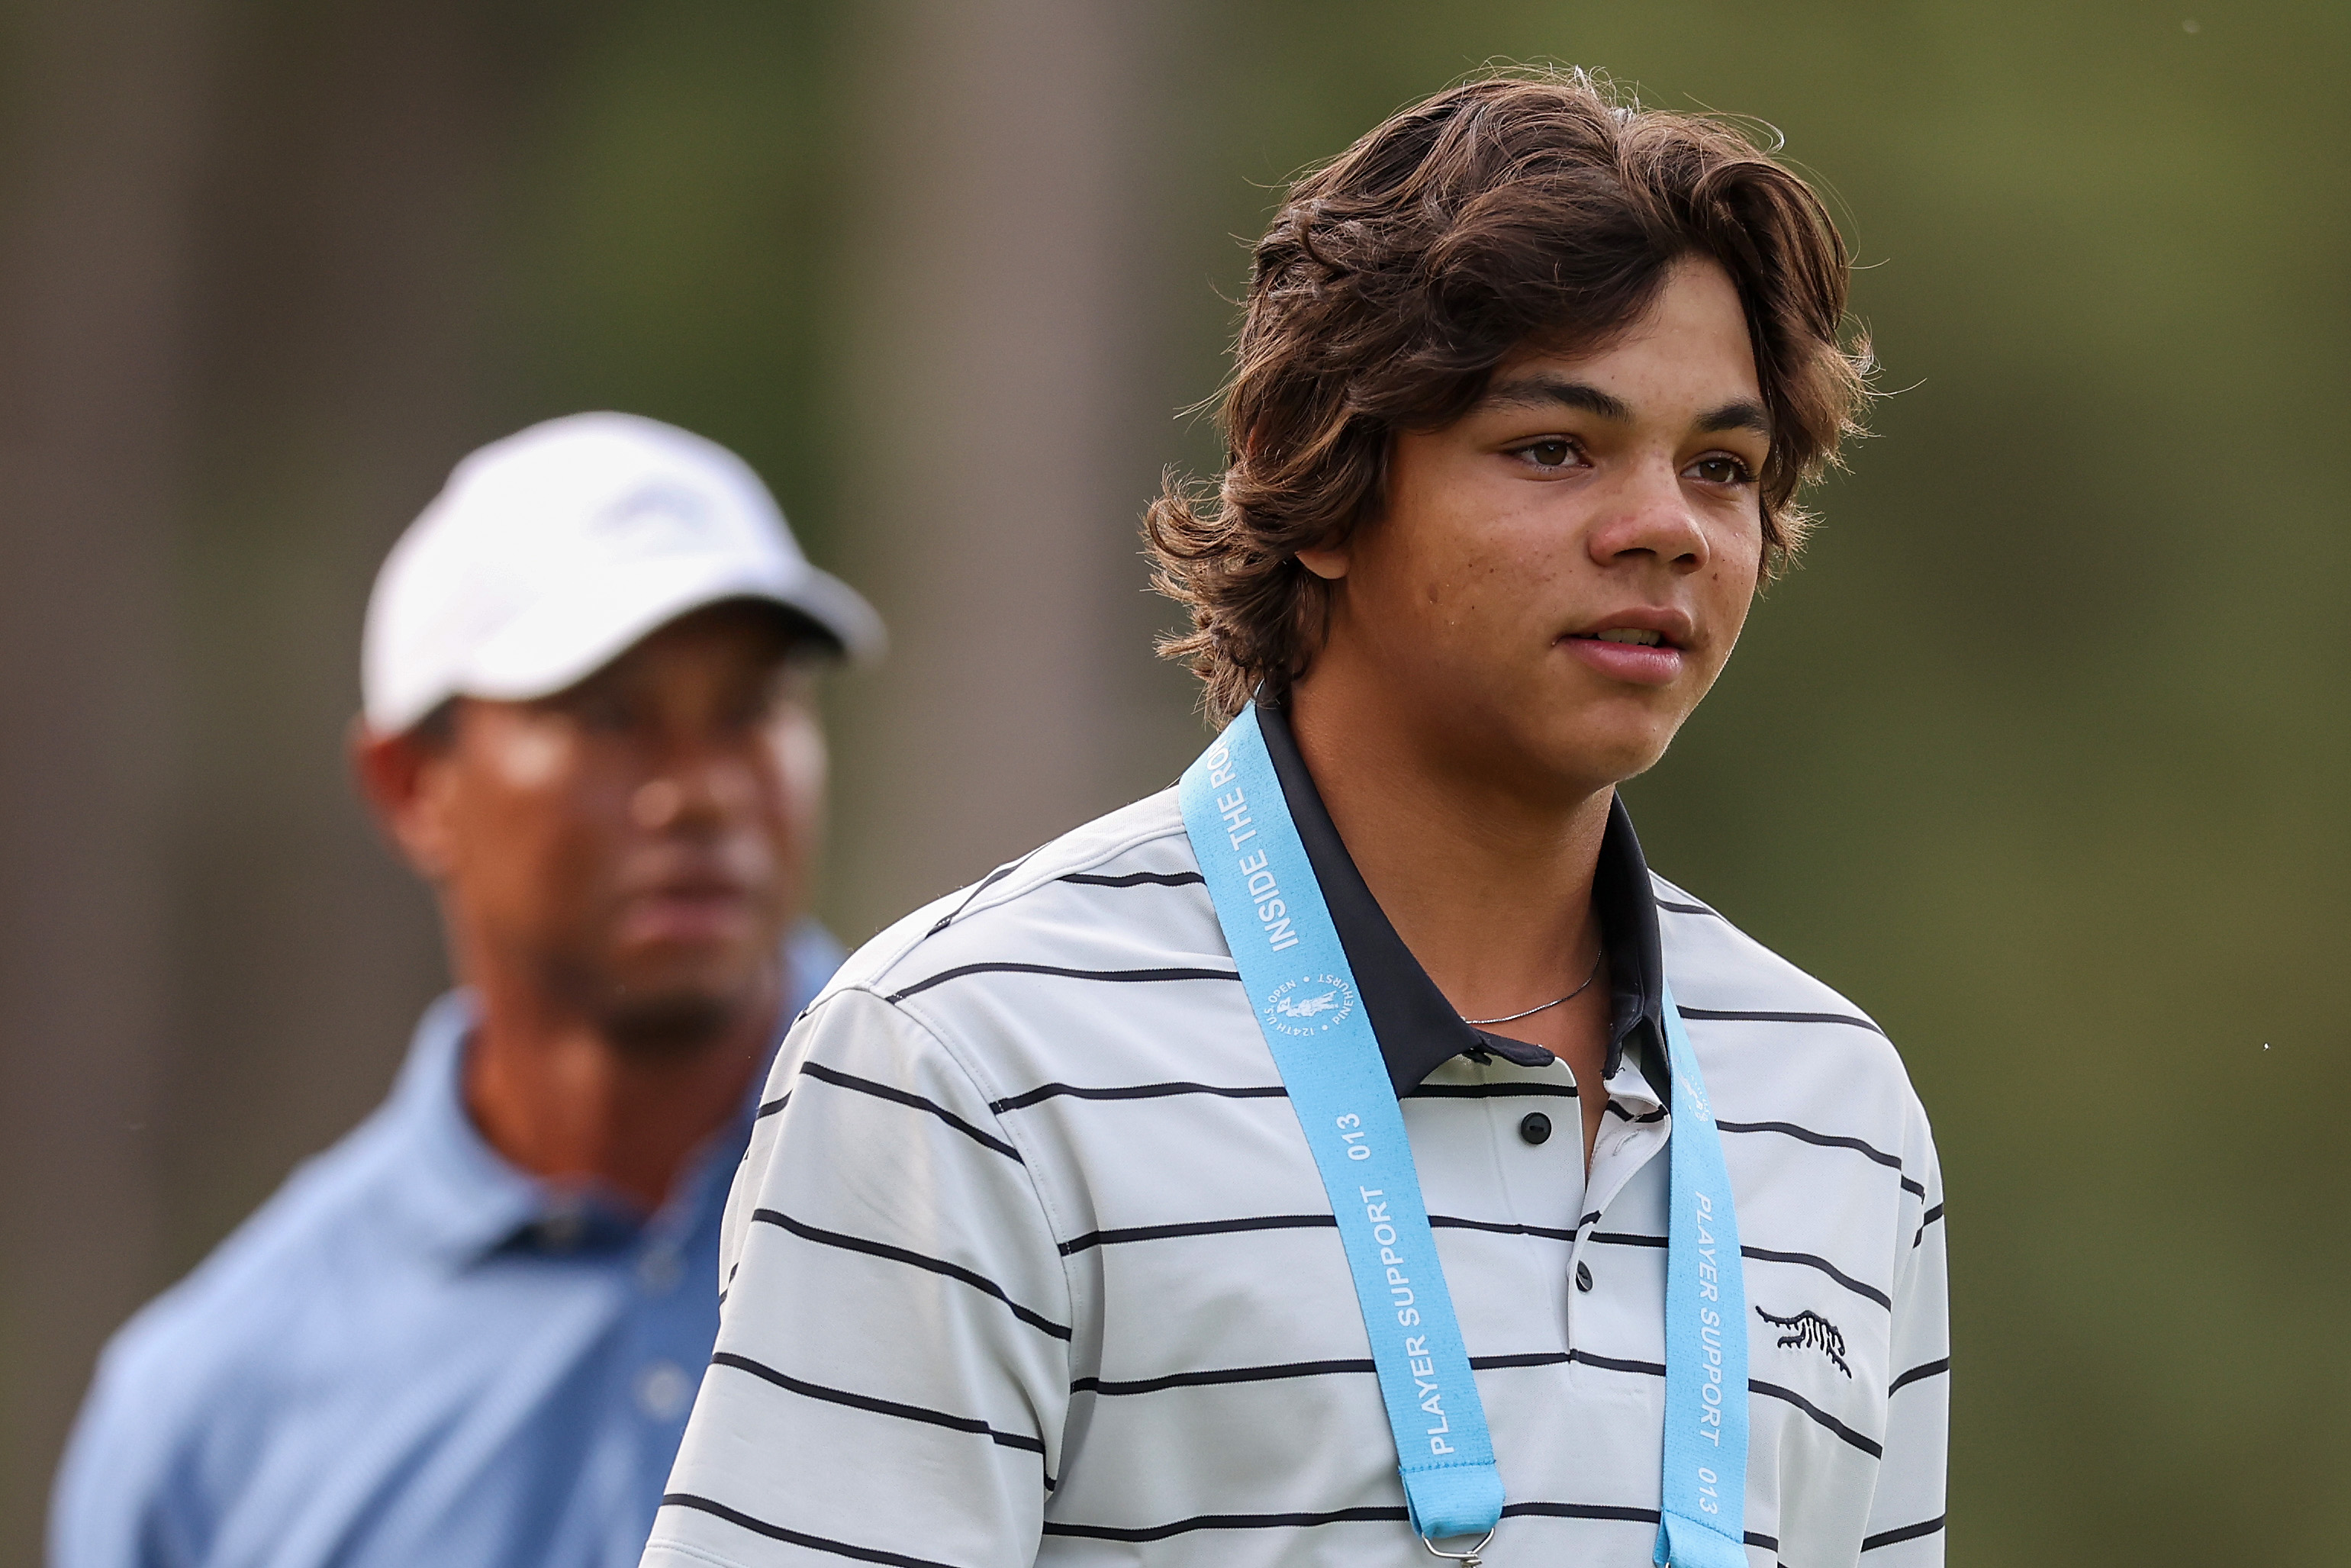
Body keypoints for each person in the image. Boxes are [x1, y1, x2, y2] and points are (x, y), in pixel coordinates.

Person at [645, 69, 1947, 1568]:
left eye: (1717, 466)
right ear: (1324, 490)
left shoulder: (1840, 1110)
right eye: (1553, 447)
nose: (1662, 523)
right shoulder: (965, 1058)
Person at [51, 413, 884, 1568]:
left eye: (748, 711)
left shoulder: (1009, 1200)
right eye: (609, 717)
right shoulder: (210, 1411)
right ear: (410, 787)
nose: (700, 793)